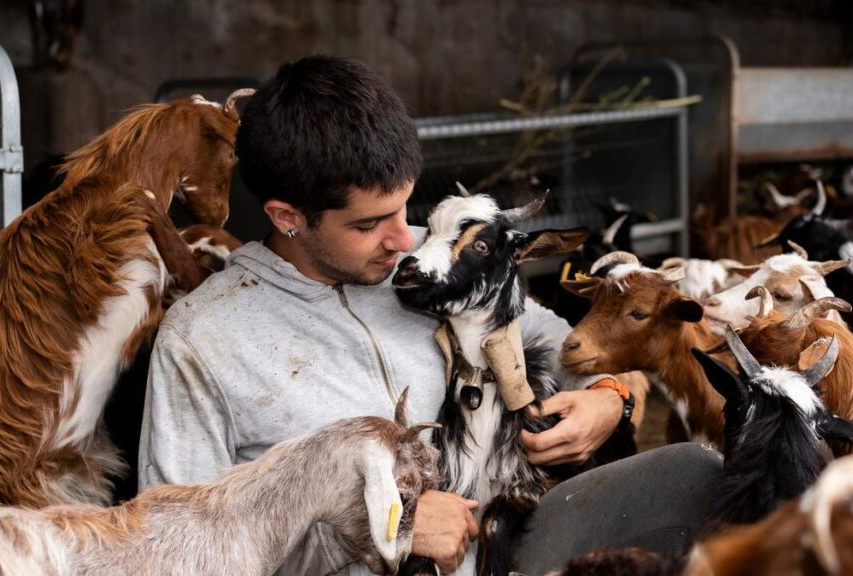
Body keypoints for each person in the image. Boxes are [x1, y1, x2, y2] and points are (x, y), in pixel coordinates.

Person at [138, 55, 720, 575]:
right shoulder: (204, 339)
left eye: (405, 208)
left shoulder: (446, 259)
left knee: (698, 475)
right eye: (368, 225)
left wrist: (609, 400)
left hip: (512, 546)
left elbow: (587, 356)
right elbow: (177, 553)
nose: (402, 240)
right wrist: (393, 528)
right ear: (287, 215)